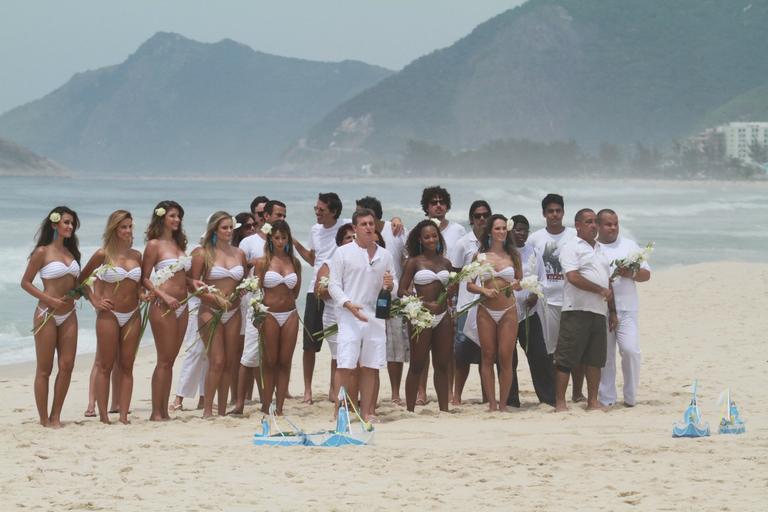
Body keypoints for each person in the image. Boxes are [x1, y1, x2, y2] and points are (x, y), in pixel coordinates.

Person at [328, 208, 397, 422]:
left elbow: (393, 288)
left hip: (375, 316)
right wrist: (347, 304)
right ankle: (340, 410)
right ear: (355, 228)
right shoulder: (343, 252)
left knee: (371, 365)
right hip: (349, 315)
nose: (368, 227)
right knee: (345, 364)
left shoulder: (384, 255)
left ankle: (368, 412)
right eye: (364, 224)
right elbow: (333, 285)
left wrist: (389, 286)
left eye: (371, 223)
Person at [79, 210, 143, 424]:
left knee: (127, 365)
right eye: (123, 227)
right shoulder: (102, 254)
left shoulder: (137, 256)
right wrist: (95, 300)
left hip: (133, 314)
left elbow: (139, 286)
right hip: (110, 315)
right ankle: (104, 416)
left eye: (130, 227)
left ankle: (124, 416)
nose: (127, 231)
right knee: (105, 365)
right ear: (114, 229)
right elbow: (80, 280)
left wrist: (144, 294)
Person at [21, 207, 81, 428]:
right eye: (66, 222)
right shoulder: (42, 252)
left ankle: (56, 415)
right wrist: (49, 299)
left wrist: (84, 292)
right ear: (54, 224)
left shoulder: (72, 254)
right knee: (44, 369)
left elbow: (76, 286)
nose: (70, 227)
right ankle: (44, 418)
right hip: (46, 314)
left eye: (72, 224)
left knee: (67, 366)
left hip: (69, 315)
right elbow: (25, 282)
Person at [554, 208, 617, 412]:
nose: (593, 225)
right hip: (576, 309)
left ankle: (592, 402)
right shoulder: (571, 246)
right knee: (566, 357)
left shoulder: (601, 249)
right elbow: (572, 277)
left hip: (598, 311)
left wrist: (612, 311)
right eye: (588, 222)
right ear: (578, 225)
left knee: (595, 359)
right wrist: (600, 289)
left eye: (595, 222)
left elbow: (608, 282)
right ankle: (560, 403)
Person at [527, 193, 584, 401]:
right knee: (550, 351)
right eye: (550, 211)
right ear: (543, 214)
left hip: (571, 299)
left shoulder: (573, 236)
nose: (554, 215)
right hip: (546, 301)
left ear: (563, 212)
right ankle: (554, 394)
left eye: (558, 211)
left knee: (574, 349)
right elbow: (531, 269)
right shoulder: (535, 238)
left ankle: (577, 393)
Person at [294, 193, 349, 404]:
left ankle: (333, 390)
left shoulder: (345, 225)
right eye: (316, 208)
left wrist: (396, 222)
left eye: (322, 210)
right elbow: (313, 259)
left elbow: (371, 224)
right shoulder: (315, 230)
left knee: (337, 343)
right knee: (309, 343)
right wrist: (295, 243)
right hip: (314, 290)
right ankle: (307, 391)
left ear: (333, 211)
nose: (317, 213)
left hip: (339, 290)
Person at [190, 211, 247, 417]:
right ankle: (207, 409)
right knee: (217, 360)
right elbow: (192, 283)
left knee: (230, 363)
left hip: (233, 311)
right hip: (210, 310)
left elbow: (243, 282)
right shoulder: (202, 253)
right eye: (224, 227)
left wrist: (242, 291)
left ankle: (222, 410)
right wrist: (214, 298)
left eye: (231, 227)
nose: (229, 231)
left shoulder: (239, 253)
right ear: (214, 229)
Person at [141, 200, 192, 421]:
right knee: (163, 359)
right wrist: (164, 295)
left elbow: (183, 276)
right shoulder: (154, 245)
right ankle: (156, 412)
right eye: (172, 216)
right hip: (163, 306)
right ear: (162, 217)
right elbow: (143, 278)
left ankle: (164, 411)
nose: (176, 220)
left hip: (183, 306)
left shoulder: (180, 245)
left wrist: (195, 286)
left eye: (179, 216)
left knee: (171, 360)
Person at [466, 214, 522, 412]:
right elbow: (469, 285)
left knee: (506, 356)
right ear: (490, 231)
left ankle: (504, 404)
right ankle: (491, 403)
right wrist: (484, 290)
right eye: (497, 228)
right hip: (486, 310)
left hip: (508, 309)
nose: (501, 232)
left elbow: (520, 282)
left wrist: (516, 284)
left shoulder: (513, 255)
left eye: (503, 228)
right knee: (488, 356)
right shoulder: (480, 257)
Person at [356, 196, 408, 405]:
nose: (361, 220)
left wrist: (405, 287)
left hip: (392, 298)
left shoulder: (395, 230)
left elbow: (407, 257)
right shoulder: (358, 234)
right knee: (366, 348)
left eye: (364, 215)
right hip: (365, 301)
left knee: (395, 349)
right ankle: (364, 394)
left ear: (374, 217)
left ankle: (395, 393)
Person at [416, 186, 466, 404]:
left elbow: (462, 263)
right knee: (422, 346)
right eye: (433, 202)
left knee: (449, 347)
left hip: (450, 293)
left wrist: (454, 287)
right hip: (424, 295)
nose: (438, 205)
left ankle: (450, 392)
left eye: (442, 202)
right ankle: (421, 392)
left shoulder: (457, 230)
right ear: (426, 207)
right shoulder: (419, 229)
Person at [596, 209, 650, 407]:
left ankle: (631, 397)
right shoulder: (593, 247)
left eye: (615, 224)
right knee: (606, 356)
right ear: (599, 226)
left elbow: (646, 274)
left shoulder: (629, 245)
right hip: (600, 309)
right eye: (608, 224)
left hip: (627, 308)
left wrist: (631, 273)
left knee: (630, 351)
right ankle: (607, 398)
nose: (613, 228)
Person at [398, 220, 455, 411]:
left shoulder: (445, 262)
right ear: (420, 240)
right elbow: (402, 291)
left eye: (434, 235)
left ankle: (444, 409)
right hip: (420, 317)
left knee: (442, 364)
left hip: (443, 316)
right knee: (417, 364)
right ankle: (410, 409)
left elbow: (449, 289)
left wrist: (450, 292)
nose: (431, 239)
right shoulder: (414, 262)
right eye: (427, 237)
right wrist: (423, 304)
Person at [252, 220, 302, 415]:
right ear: (270, 238)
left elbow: (295, 292)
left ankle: (279, 407)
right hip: (269, 313)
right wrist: (257, 315)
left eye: (284, 237)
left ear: (288, 238)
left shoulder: (294, 262)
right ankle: (266, 404)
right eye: (277, 237)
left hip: (290, 313)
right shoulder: (262, 262)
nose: (280, 241)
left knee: (285, 361)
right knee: (270, 361)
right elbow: (256, 291)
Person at [507, 215, 555, 407]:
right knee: (509, 359)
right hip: (508, 313)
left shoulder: (534, 252)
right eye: (517, 229)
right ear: (510, 231)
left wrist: (535, 295)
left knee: (539, 356)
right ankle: (511, 400)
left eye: (524, 230)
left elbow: (543, 280)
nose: (521, 233)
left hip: (530, 313)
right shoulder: (503, 253)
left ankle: (548, 399)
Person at [450, 200, 491, 404]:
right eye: (477, 216)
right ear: (471, 219)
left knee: (487, 352)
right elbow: (455, 276)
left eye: (485, 215)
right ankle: (457, 396)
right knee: (462, 353)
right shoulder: (463, 243)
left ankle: (487, 396)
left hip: (489, 304)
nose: (482, 219)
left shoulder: (495, 242)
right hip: (466, 304)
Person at [315, 223, 356, 402]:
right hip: (333, 316)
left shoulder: (362, 261)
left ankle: (347, 392)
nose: (352, 240)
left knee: (353, 355)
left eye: (355, 237)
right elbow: (320, 292)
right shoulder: (329, 264)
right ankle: (336, 392)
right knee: (338, 355)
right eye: (348, 237)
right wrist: (334, 287)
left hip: (355, 315)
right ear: (340, 242)